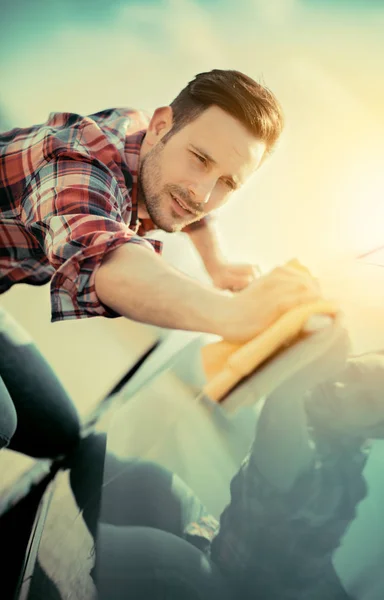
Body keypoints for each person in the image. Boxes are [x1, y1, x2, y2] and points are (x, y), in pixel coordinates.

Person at [0, 69, 323, 458]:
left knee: (57, 435)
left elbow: (193, 205)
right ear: (161, 126)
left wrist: (217, 264)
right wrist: (232, 315)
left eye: (228, 183)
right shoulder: (75, 165)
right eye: (200, 159)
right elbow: (109, 260)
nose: (203, 194)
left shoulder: (154, 147)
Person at [67, 322, 384, 599]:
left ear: (377, 430)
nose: (342, 389)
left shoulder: (329, 470)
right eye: (353, 371)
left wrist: (306, 361)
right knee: (123, 472)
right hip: (224, 552)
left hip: (239, 593)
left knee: (133, 553)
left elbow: (281, 414)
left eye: (366, 401)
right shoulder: (324, 427)